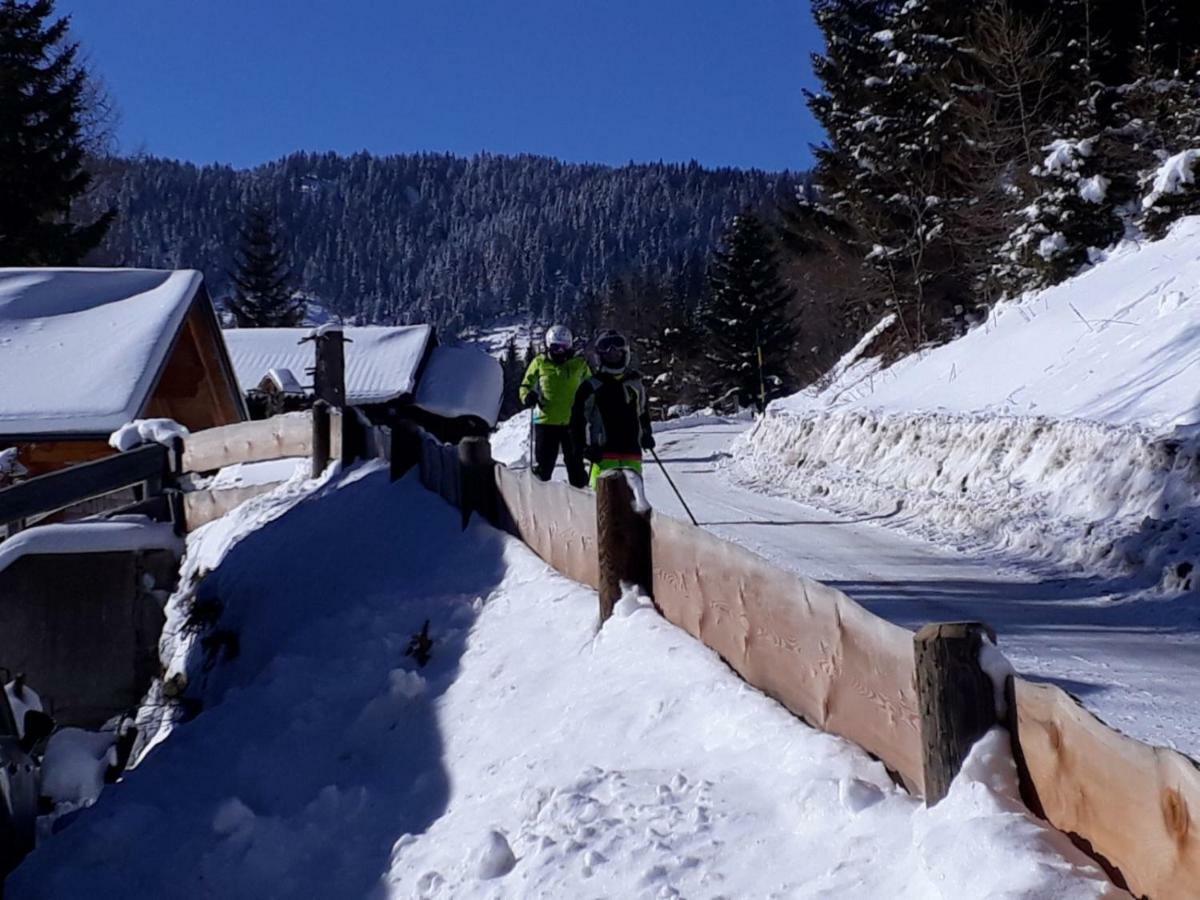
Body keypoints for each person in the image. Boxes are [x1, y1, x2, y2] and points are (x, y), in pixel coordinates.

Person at [569, 329, 655, 489]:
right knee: (603, 501)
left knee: (632, 500)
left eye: (617, 352)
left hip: (631, 451)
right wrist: (584, 448)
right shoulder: (591, 386)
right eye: (607, 353)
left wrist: (646, 434)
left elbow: (642, 412)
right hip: (603, 453)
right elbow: (577, 421)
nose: (612, 355)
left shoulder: (635, 383)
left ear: (625, 354)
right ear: (600, 356)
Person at [519, 324, 591, 488]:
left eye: (564, 347)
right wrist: (527, 396)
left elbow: (592, 385)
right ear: (547, 346)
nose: (559, 352)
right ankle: (537, 504)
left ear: (570, 346)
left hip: (573, 422)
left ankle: (582, 503)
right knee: (544, 469)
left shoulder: (579, 364)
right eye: (555, 347)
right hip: (546, 421)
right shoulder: (540, 362)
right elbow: (525, 385)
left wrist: (591, 403)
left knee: (576, 469)